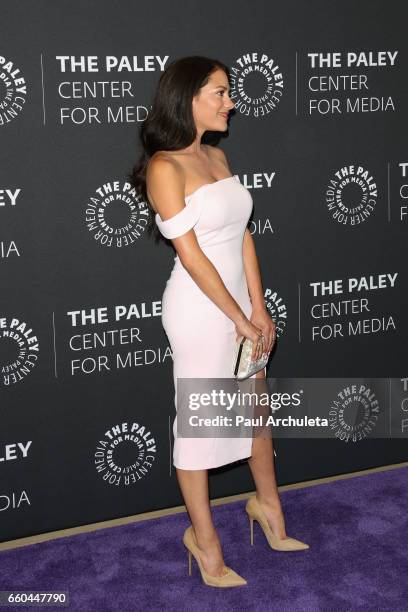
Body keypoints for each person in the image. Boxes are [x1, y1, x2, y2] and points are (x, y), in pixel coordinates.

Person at [129, 56, 308, 588]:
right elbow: (191, 255)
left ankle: (268, 509)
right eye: (220, 92)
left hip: (238, 310)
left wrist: (257, 306)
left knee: (257, 410)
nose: (231, 102)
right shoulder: (166, 166)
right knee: (201, 425)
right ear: (188, 98)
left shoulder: (218, 156)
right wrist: (235, 316)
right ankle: (204, 542)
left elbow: (242, 236)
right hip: (200, 312)